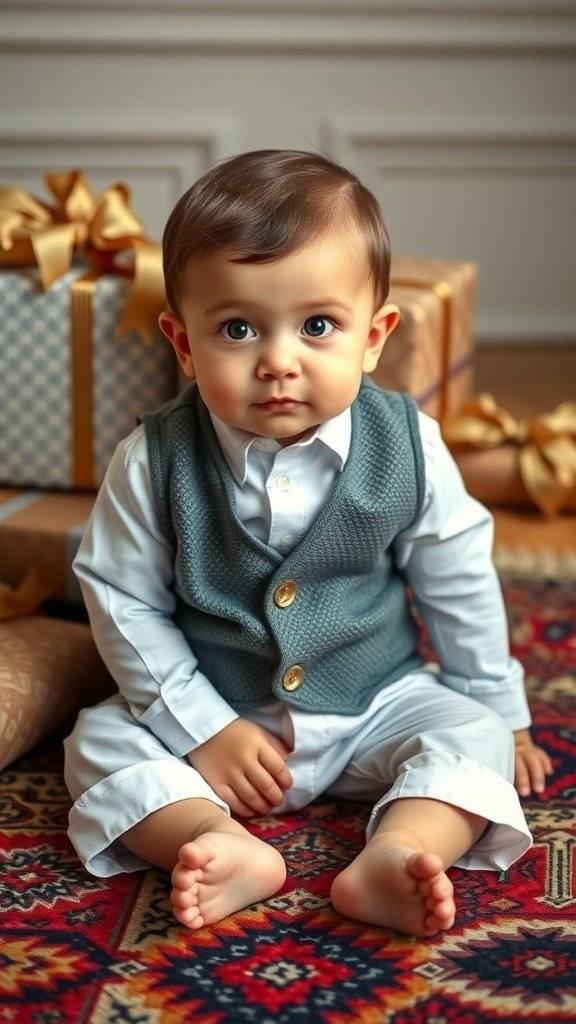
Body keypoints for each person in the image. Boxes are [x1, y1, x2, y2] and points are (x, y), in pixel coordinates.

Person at [64, 148, 552, 938]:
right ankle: (212, 838)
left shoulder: (409, 446)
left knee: (475, 734)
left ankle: (400, 849)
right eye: (238, 329)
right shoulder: (153, 460)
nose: (278, 362)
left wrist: (504, 710)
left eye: (317, 326)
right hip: (219, 705)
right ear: (184, 344)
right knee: (98, 741)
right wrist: (203, 727)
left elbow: (455, 578)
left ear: (374, 336)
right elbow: (124, 601)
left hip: (373, 703)